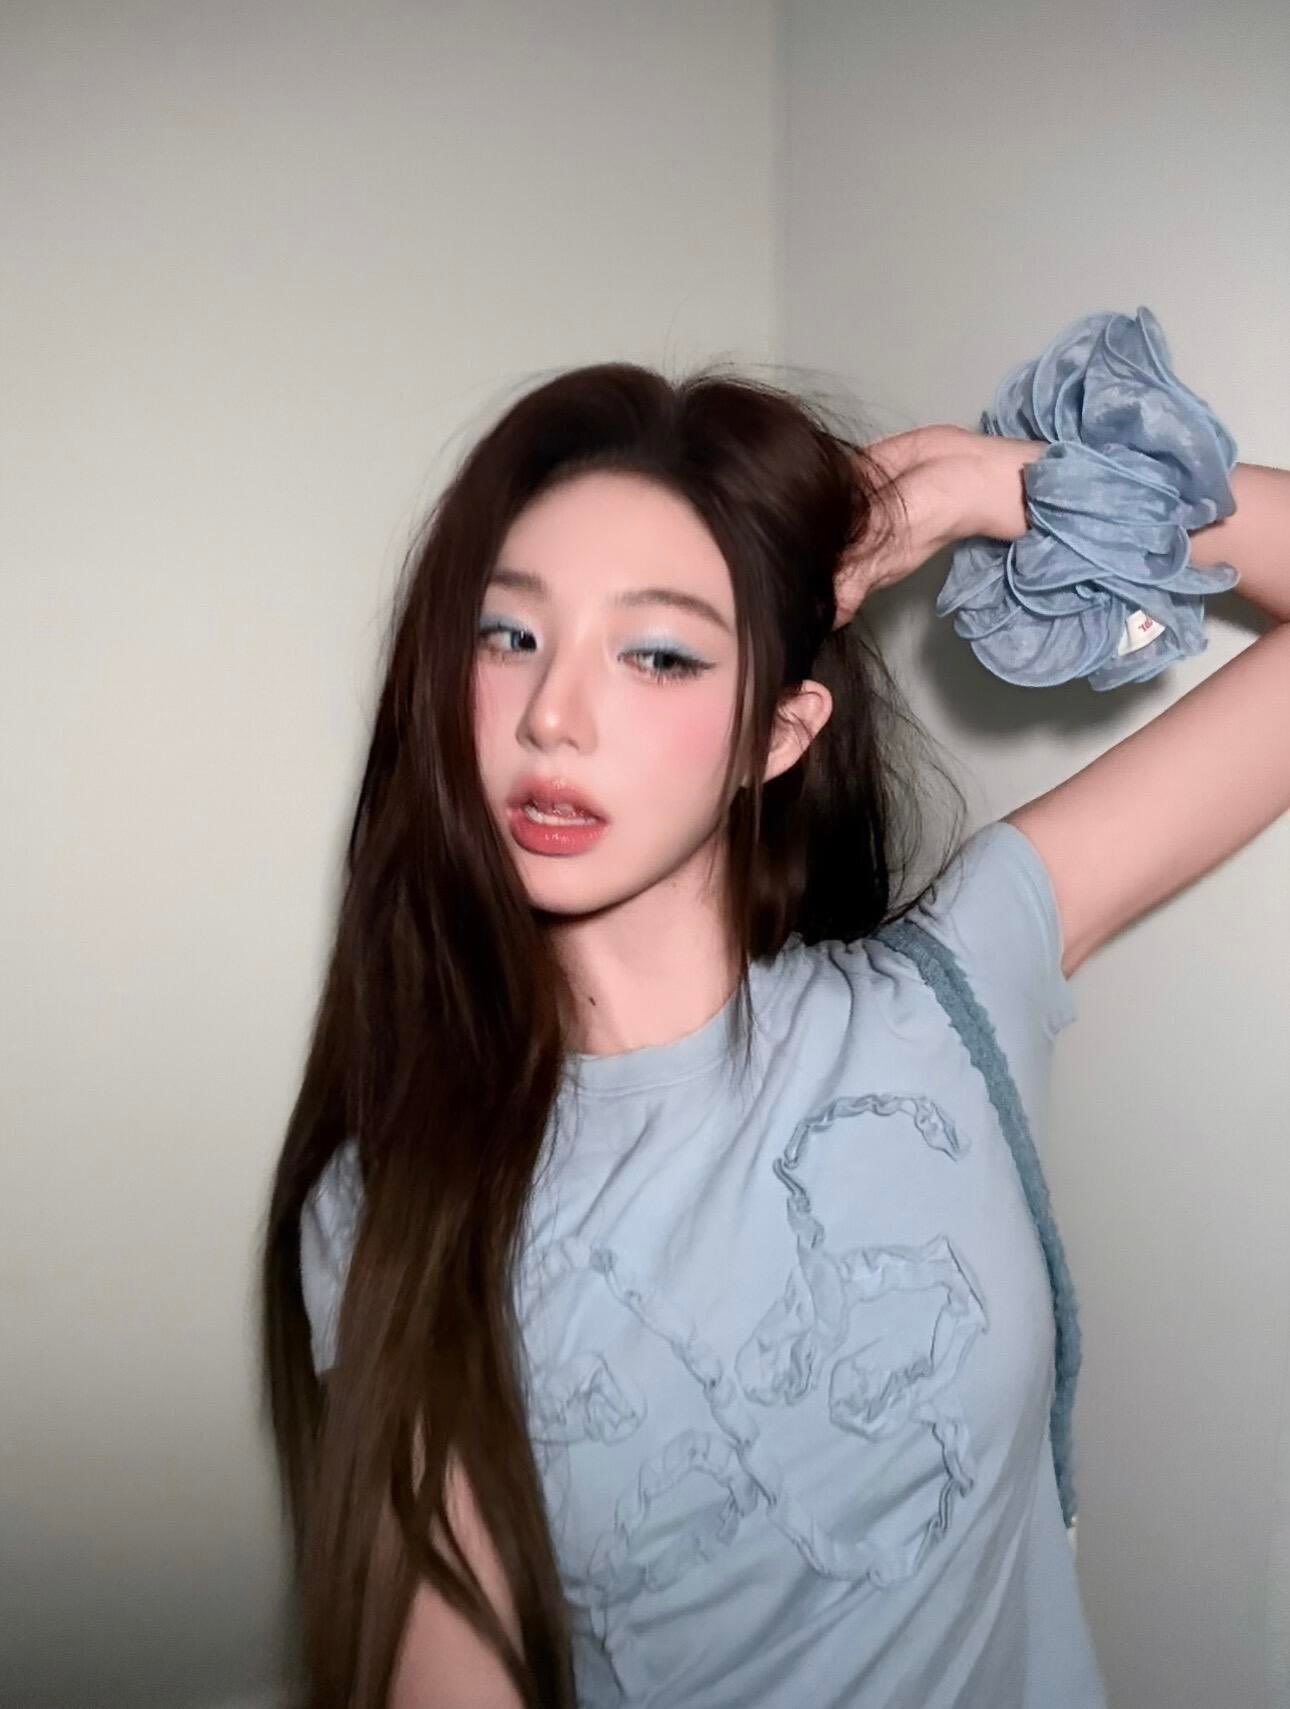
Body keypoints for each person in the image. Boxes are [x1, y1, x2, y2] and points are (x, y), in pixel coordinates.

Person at [259, 366, 1290, 1709]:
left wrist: (1002, 487)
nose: (550, 714)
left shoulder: (951, 993)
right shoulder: (392, 1198)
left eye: (658, 654)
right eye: (508, 635)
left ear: (777, 733)